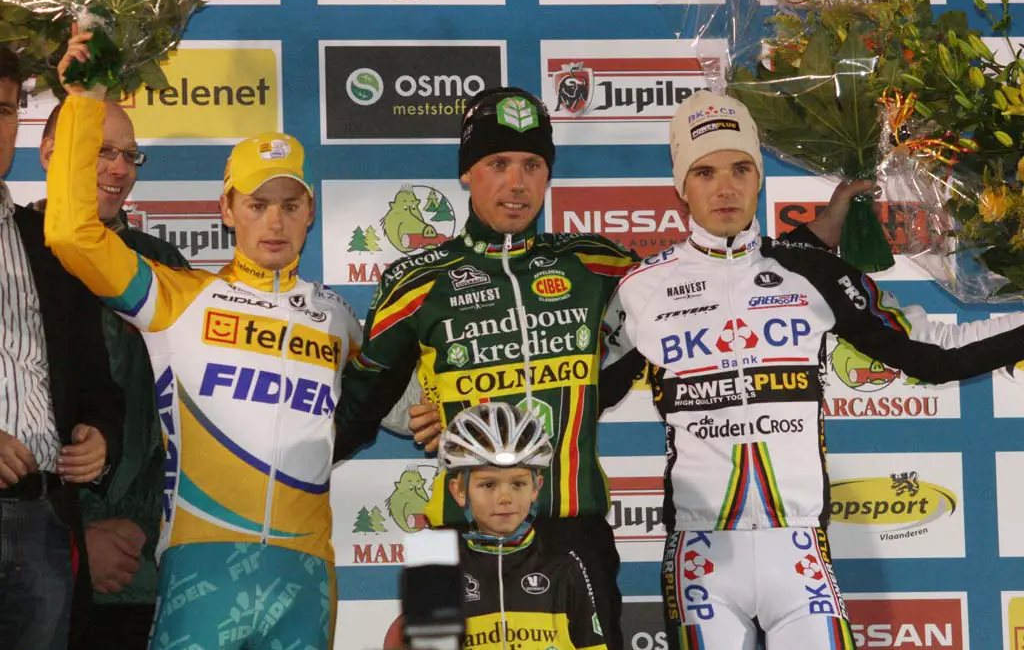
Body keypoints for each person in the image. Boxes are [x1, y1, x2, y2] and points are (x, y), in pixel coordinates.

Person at [333, 85, 850, 650]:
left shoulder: (596, 264)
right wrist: (414, 412)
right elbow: (361, 402)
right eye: (498, 163)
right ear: (467, 174)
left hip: (572, 530)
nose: (517, 182)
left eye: (533, 165)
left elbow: (714, 281)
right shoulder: (415, 280)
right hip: (447, 534)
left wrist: (811, 243)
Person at [612, 90, 1024, 650]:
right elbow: (576, 390)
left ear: (759, 177)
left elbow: (935, 354)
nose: (725, 187)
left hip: (800, 549)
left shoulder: (811, 273)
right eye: (704, 172)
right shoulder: (640, 289)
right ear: (681, 187)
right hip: (700, 556)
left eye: (741, 168)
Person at [44, 28, 362, 650]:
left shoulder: (335, 315)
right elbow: (73, 236)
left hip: (307, 573)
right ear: (225, 208)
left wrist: (430, 403)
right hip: (202, 566)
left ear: (311, 213)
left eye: (290, 204)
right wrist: (85, 100)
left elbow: (394, 391)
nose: (274, 220)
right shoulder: (180, 299)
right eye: (256, 203)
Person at [36, 99, 191, 648]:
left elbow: (184, 421)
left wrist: (140, 533)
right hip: (38, 560)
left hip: (143, 568)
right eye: (101, 151)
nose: (119, 169)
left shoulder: (164, 266)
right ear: (52, 152)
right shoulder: (19, 252)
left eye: (129, 155)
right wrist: (78, 534)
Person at [0, 45, 123, 650]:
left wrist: (99, 436)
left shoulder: (51, 243)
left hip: (43, 522)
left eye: (2, 109)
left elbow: (99, 388)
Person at [438, 401, 607, 650]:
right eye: (488, 485)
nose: (505, 498)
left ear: (536, 487)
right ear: (459, 491)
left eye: (518, 484)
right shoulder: (443, 574)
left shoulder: (563, 565)